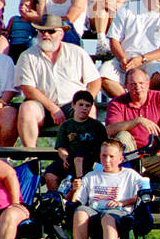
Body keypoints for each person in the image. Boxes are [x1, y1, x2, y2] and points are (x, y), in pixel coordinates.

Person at [12, 14, 100, 147]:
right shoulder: (27, 56)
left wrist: (86, 100)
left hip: (72, 104)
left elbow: (95, 81)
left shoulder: (77, 52)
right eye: (42, 31)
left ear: (61, 33)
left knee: (89, 108)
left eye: (51, 31)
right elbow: (28, 89)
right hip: (43, 107)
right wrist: (53, 108)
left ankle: (86, 156)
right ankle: (31, 157)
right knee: (27, 108)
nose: (46, 34)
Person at [105, 67, 160, 191]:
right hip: (129, 157)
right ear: (126, 86)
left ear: (148, 83)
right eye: (133, 84)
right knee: (122, 135)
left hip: (156, 156)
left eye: (141, 83)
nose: (138, 87)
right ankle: (130, 186)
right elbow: (110, 129)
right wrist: (137, 121)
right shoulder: (116, 103)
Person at [68, 139, 143, 239]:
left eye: (111, 157)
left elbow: (145, 195)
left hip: (118, 214)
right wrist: (73, 190)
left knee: (108, 216)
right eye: (104, 156)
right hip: (94, 212)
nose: (107, 160)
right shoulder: (91, 176)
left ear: (120, 159)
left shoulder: (130, 175)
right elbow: (75, 201)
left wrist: (123, 202)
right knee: (80, 212)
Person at [99, 0, 160, 97]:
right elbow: (114, 39)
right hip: (125, 59)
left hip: (151, 61)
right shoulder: (127, 9)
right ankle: (128, 105)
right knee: (103, 75)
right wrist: (122, 59)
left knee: (157, 79)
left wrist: (142, 59)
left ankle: (147, 109)